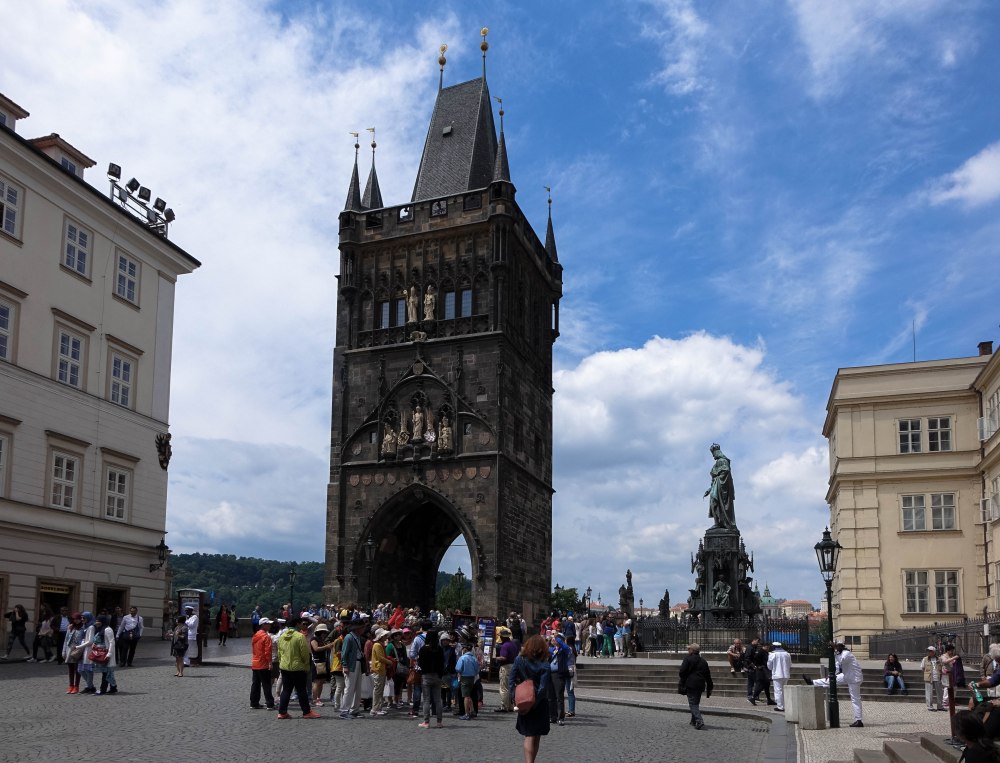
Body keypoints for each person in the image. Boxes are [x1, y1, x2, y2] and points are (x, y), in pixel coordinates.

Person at [510, 634, 552, 763]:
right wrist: (533, 704)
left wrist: (514, 698)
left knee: (530, 734)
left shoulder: (519, 659)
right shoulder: (545, 664)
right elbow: (543, 688)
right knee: (535, 735)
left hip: (524, 699)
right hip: (539, 703)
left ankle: (530, 761)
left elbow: (511, 679)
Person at [809, 642, 864, 726]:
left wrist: (834, 651)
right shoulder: (840, 654)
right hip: (847, 675)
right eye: (836, 646)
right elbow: (837, 665)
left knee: (855, 699)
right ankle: (812, 682)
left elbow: (841, 660)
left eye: (837, 646)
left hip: (854, 678)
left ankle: (859, 720)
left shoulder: (847, 653)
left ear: (841, 646)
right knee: (832, 680)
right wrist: (832, 674)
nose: (836, 648)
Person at [276, 617, 321, 719]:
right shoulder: (300, 636)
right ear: (297, 624)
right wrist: (306, 666)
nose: (302, 625)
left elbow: (280, 653)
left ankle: (282, 712)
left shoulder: (282, 636)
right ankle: (306, 712)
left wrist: (282, 663)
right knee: (301, 690)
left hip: (285, 667)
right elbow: (305, 654)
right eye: (301, 624)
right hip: (298, 668)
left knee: (286, 690)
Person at [679, 642, 713, 730]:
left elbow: (682, 672)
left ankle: (699, 720)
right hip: (701, 685)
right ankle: (693, 721)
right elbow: (708, 675)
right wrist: (710, 686)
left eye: (688, 649)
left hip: (691, 684)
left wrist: (683, 679)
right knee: (695, 703)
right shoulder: (703, 661)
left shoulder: (688, 659)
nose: (687, 650)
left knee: (693, 704)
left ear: (692, 650)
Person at [703, 443, 736, 529]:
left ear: (717, 452)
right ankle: (717, 523)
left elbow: (726, 471)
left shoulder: (722, 461)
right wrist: (710, 489)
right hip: (716, 486)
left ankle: (721, 523)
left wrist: (718, 479)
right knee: (714, 503)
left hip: (721, 486)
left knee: (715, 502)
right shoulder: (717, 462)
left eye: (713, 453)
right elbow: (714, 479)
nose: (713, 455)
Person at [417, 629, 445, 728]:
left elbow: (420, 663)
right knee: (438, 699)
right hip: (437, 676)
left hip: (426, 676)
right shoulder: (439, 649)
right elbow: (442, 663)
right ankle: (439, 722)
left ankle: (426, 722)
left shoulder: (424, 649)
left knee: (426, 700)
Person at [340, 619, 367, 719]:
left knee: (357, 688)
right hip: (351, 664)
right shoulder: (349, 637)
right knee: (349, 688)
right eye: (362, 627)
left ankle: (354, 710)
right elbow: (344, 653)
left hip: (357, 663)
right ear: (358, 628)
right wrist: (345, 665)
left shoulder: (357, 637)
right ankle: (344, 710)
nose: (364, 629)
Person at [86, 614, 118, 695]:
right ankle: (113, 687)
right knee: (108, 672)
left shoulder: (107, 630)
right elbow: (97, 639)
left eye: (98, 621)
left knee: (106, 672)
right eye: (96, 620)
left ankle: (103, 689)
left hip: (106, 654)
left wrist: (109, 654)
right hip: (101, 653)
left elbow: (111, 642)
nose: (97, 622)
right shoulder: (100, 629)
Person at [250, 616, 275, 709]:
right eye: (268, 624)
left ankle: (254, 703)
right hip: (263, 664)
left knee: (255, 684)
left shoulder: (255, 636)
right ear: (263, 625)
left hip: (255, 663)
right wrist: (270, 663)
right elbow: (267, 652)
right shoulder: (266, 637)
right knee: (266, 684)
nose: (269, 625)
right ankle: (270, 703)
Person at [494, 627, 519, 712]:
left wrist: (495, 658)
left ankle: (504, 706)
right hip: (512, 665)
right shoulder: (513, 644)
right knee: (510, 687)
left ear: (502, 637)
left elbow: (503, 657)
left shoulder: (504, 645)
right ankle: (511, 705)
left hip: (506, 666)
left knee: (504, 687)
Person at [455, 639, 480, 720]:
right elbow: (477, 670)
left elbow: (458, 669)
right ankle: (472, 710)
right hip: (472, 678)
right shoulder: (474, 658)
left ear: (464, 649)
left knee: (465, 696)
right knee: (469, 695)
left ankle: (467, 713)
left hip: (464, 677)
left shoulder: (462, 658)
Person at [62, 612, 85, 694]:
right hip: (70, 649)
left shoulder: (83, 628)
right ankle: (71, 686)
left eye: (77, 619)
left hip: (78, 650)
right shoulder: (70, 627)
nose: (76, 621)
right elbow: (66, 640)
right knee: (70, 669)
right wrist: (64, 651)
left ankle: (76, 686)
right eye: (74, 619)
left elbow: (84, 640)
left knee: (77, 669)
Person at [369, 628, 390, 717]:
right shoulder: (377, 645)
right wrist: (390, 662)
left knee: (379, 690)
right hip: (378, 669)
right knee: (378, 690)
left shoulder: (379, 644)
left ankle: (378, 708)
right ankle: (375, 709)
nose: (386, 637)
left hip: (380, 669)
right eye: (384, 635)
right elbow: (380, 658)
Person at [768, 641, 791, 712]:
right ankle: (785, 705)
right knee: (784, 690)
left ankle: (780, 706)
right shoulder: (787, 654)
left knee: (778, 691)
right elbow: (790, 664)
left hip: (777, 674)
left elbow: (769, 666)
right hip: (786, 674)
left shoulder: (772, 654)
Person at [923, 646, 945, 710]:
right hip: (929, 677)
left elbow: (942, 667)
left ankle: (940, 706)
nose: (929, 652)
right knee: (929, 692)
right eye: (928, 651)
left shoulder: (939, 659)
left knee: (940, 693)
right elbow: (922, 668)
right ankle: (930, 706)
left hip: (938, 677)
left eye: (930, 651)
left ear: (934, 652)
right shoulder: (925, 659)